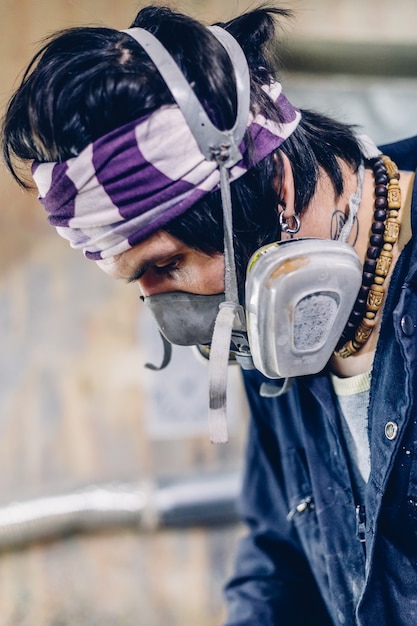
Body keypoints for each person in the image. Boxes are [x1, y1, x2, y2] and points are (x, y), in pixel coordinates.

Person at [2, 4, 417, 625]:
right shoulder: (278, 326)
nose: (169, 315)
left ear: (274, 185)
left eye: (165, 266)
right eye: (137, 283)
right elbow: (281, 559)